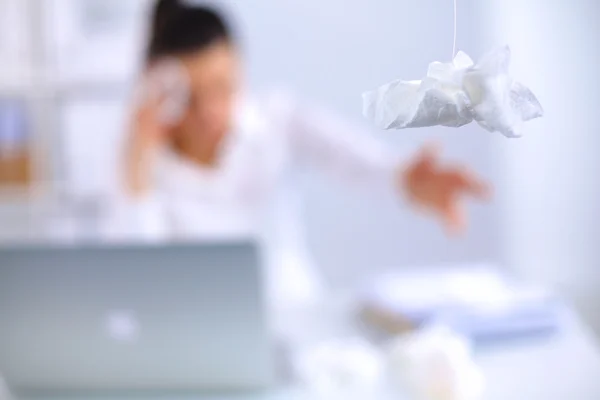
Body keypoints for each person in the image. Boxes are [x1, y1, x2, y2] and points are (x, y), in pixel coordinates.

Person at [107, 0, 489, 311]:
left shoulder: (277, 120)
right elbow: (140, 281)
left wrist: (405, 179)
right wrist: (137, 162)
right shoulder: (143, 160)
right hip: (196, 336)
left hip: (295, 316)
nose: (208, 110)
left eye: (223, 87)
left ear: (241, 68)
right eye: (190, 96)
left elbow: (352, 159)